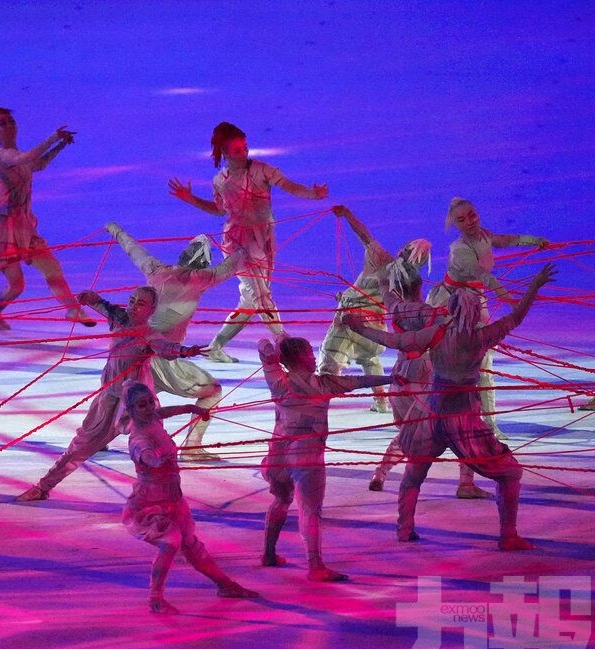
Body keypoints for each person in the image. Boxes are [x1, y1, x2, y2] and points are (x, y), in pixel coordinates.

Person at [348, 264, 557, 549]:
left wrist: (359, 328)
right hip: (463, 421)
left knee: (415, 472)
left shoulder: (437, 332)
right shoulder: (480, 337)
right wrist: (534, 286)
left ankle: (404, 528)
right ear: (473, 312)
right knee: (510, 474)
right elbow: (516, 317)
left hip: (432, 414)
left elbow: (395, 340)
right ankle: (508, 535)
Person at [16, 286, 204, 501]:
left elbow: (165, 347)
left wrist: (185, 351)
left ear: (151, 310)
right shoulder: (119, 319)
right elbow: (104, 306)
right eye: (132, 300)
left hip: (137, 405)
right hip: (109, 399)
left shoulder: (149, 335)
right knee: (81, 445)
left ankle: (166, 497)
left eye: (140, 303)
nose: (133, 306)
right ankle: (43, 487)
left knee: (151, 449)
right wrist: (90, 298)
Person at [169, 121, 328, 361]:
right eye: (237, 150)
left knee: (251, 299)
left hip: (263, 240)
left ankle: (215, 347)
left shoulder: (262, 170)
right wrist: (190, 198)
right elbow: (220, 210)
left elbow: (288, 185)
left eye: (245, 147)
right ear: (225, 152)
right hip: (236, 243)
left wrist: (313, 194)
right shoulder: (219, 181)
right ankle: (285, 344)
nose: (244, 153)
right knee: (261, 295)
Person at [106, 221, 246, 459]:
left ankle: (100, 438)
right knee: (212, 390)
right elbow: (231, 266)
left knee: (129, 397)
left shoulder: (156, 270)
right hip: (164, 356)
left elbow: (134, 250)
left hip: (135, 354)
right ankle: (192, 447)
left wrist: (115, 230)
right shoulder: (200, 278)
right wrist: (246, 246)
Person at [351, 259, 489, 498]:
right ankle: (466, 483)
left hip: (400, 374)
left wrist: (383, 275)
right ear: (419, 288)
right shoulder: (429, 313)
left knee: (408, 431)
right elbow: (453, 325)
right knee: (458, 427)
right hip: (424, 374)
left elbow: (385, 288)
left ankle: (380, 473)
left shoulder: (394, 306)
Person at [259, 336, 392, 581]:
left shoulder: (277, 379)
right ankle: (315, 566)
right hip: (307, 456)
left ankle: (268, 553)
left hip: (278, 455)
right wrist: (391, 378)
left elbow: (263, 343)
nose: (314, 357)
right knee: (310, 511)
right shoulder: (324, 384)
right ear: (301, 357)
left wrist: (275, 353)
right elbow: (359, 381)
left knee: (281, 500)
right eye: (310, 353)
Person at [120, 382, 257, 614]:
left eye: (150, 402)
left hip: (172, 499)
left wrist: (190, 409)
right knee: (170, 542)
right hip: (149, 505)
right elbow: (145, 455)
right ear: (131, 411)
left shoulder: (152, 418)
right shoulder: (138, 438)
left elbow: (162, 412)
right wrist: (158, 460)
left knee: (192, 546)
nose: (149, 408)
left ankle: (225, 585)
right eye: (142, 406)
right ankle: (156, 597)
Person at [426, 198, 549, 438]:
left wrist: (534, 241)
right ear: (455, 224)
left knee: (485, 362)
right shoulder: (460, 249)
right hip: (452, 304)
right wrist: (509, 298)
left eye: (472, 215)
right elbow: (485, 277)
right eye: (461, 219)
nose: (469, 221)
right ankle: (432, 418)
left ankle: (489, 424)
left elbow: (503, 240)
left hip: (474, 300)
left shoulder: (483, 235)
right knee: (442, 362)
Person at [0, 108, 94, 330]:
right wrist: (53, 137)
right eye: (2, 123)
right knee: (17, 286)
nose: (9, 125)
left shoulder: (17, 156)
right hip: (5, 227)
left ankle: (72, 309)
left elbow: (37, 164)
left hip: (24, 224)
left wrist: (60, 145)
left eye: (11, 120)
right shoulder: (5, 155)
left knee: (52, 269)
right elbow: (28, 158)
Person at [317, 206, 430, 414]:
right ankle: (380, 401)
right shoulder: (409, 283)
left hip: (351, 322)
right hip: (374, 328)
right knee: (369, 358)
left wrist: (348, 214)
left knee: (329, 365)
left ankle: (314, 405)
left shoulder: (383, 261)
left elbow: (364, 235)